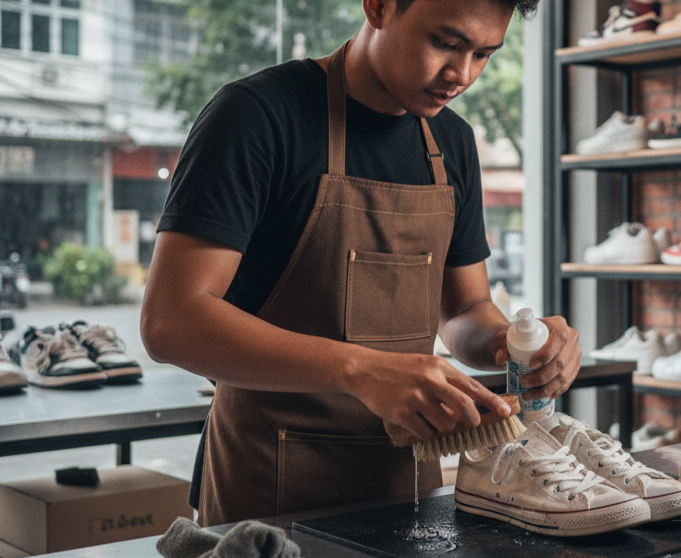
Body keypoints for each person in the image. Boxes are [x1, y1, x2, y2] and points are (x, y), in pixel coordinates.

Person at [141, 0, 581, 527]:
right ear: (378, 6)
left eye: (484, 54)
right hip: (267, 490)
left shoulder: (452, 142)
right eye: (445, 42)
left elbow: (465, 309)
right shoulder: (256, 115)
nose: (461, 75)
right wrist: (362, 370)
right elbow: (171, 321)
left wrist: (512, 346)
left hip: (405, 489)